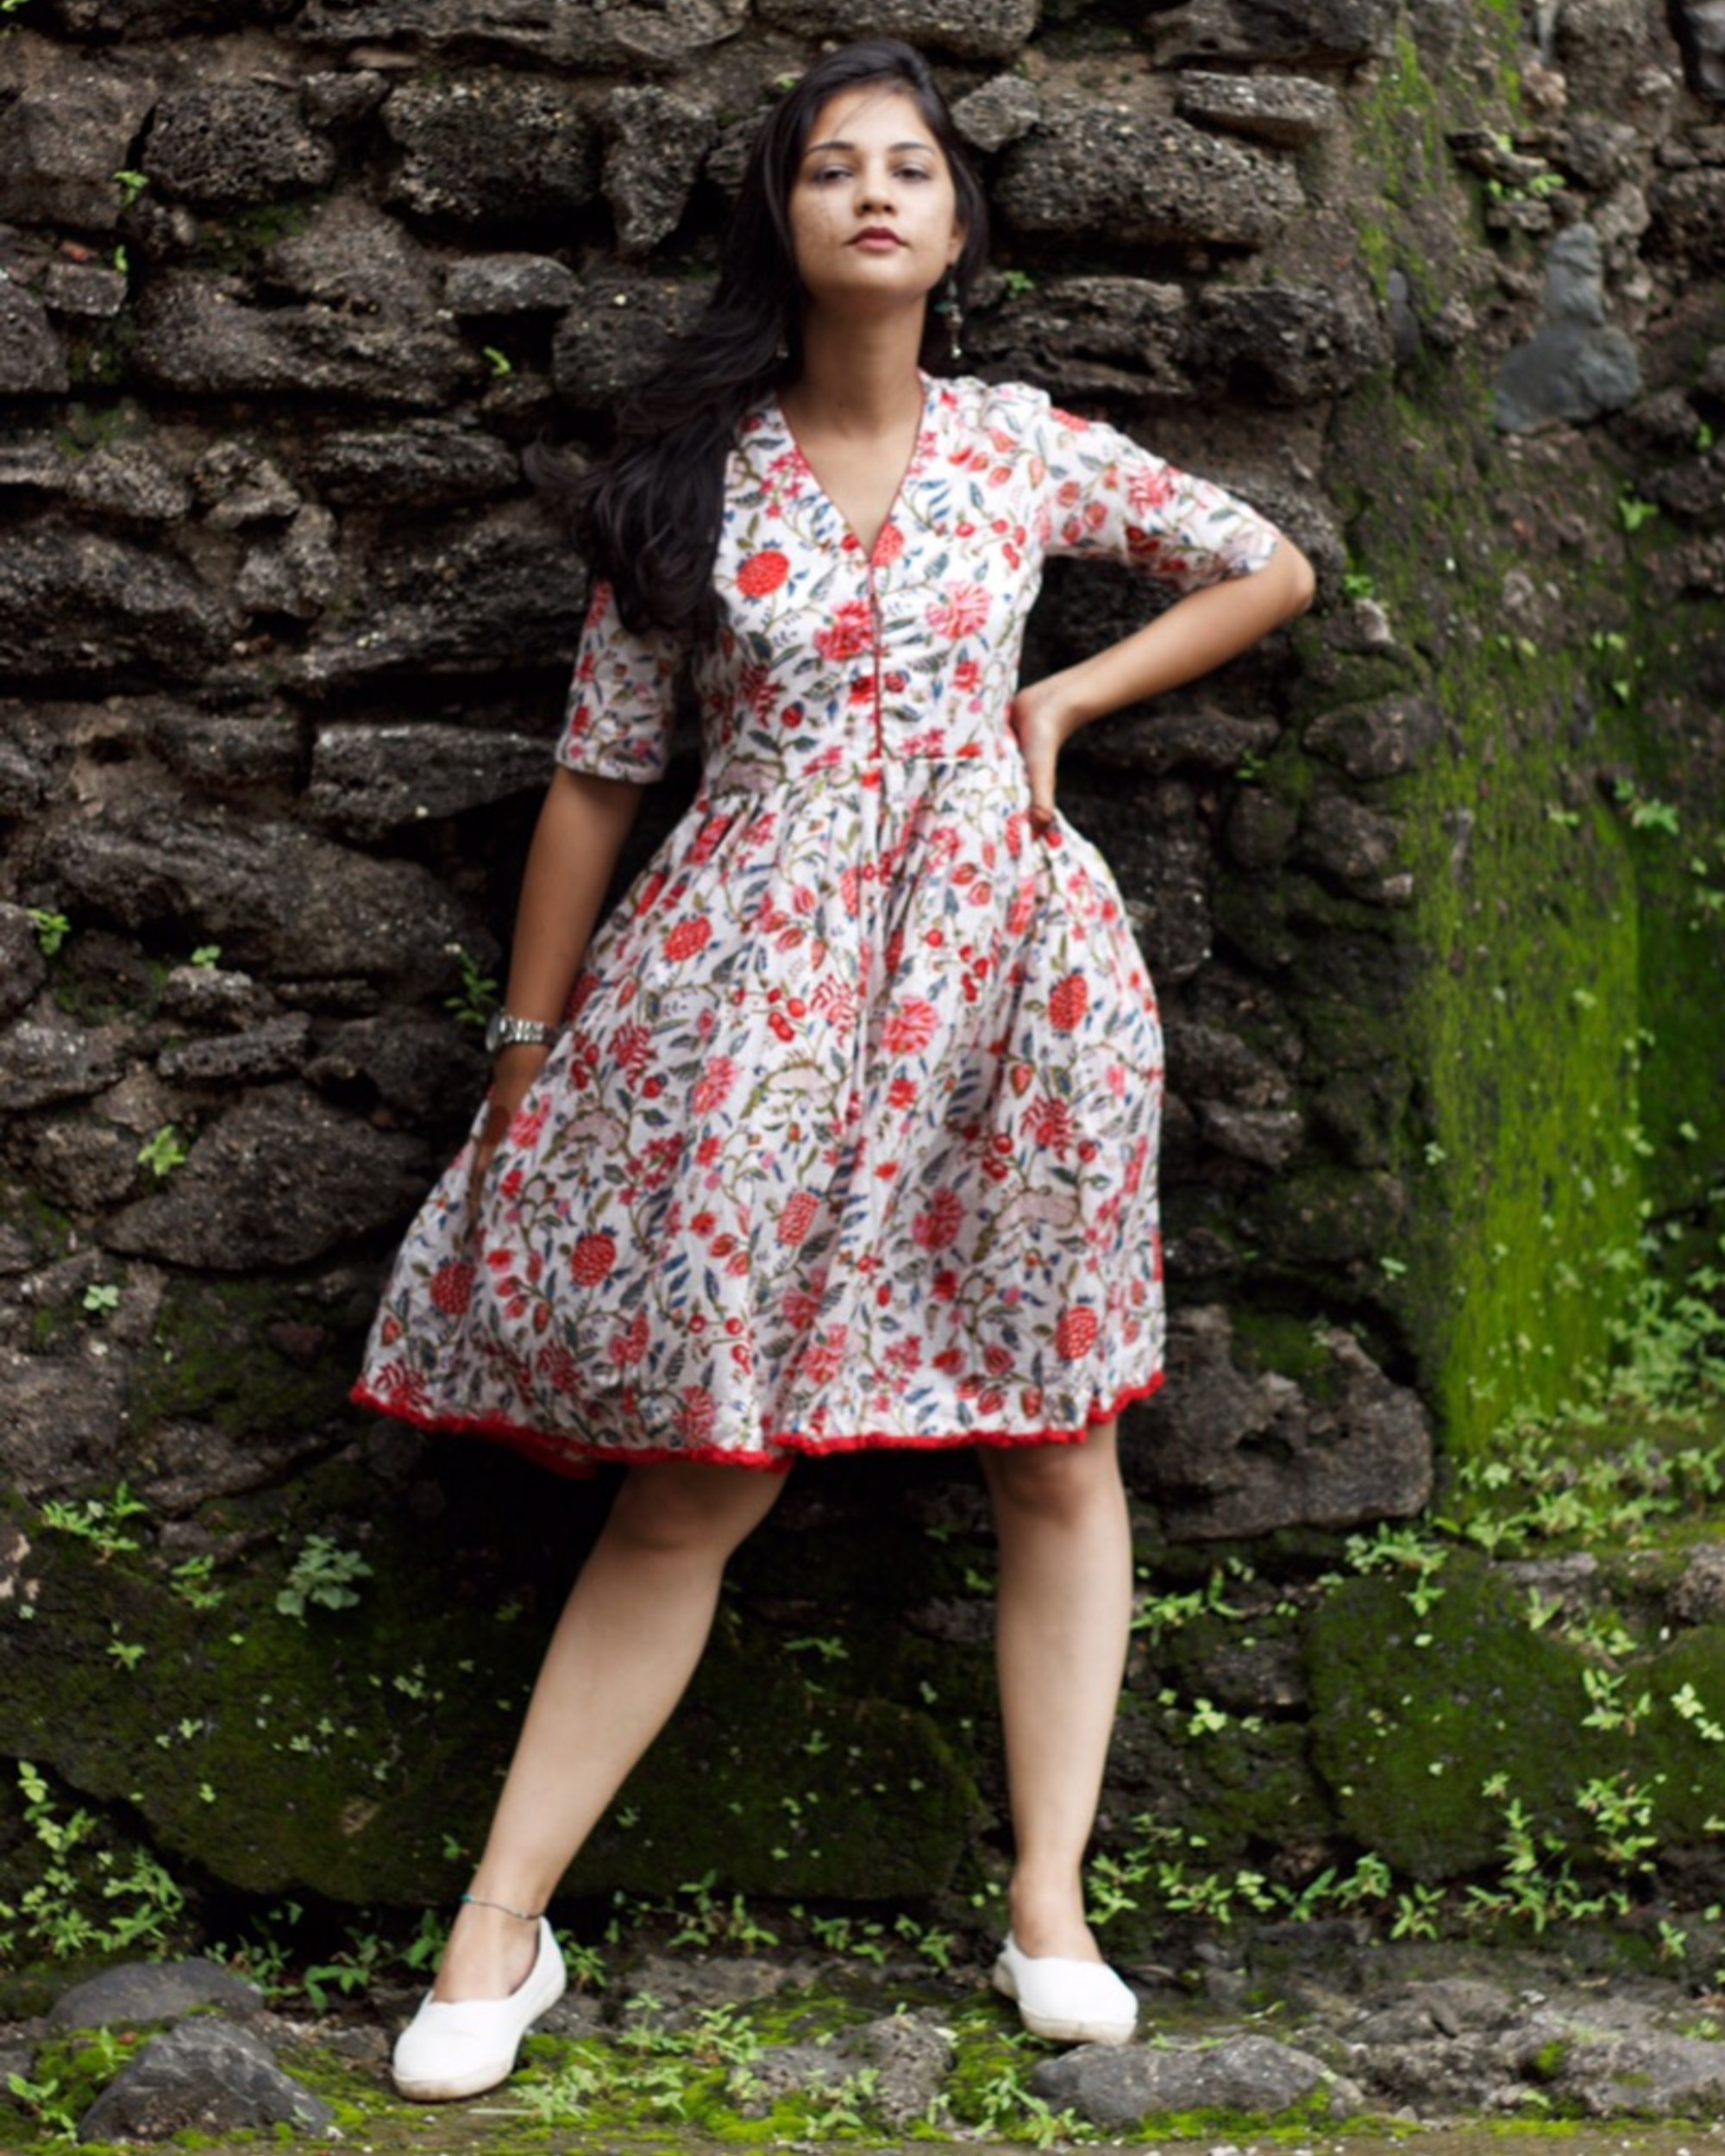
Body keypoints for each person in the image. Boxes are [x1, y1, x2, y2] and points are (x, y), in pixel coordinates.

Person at [355, 35, 1315, 2103]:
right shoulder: (689, 476)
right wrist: (527, 1047)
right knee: (708, 1464)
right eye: (828, 170)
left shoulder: (1019, 445)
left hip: (1009, 983)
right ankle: (497, 1924)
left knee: (1053, 1430)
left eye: (909, 168)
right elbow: (600, 776)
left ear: (957, 225)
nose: (873, 193)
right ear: (779, 222)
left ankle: (1048, 1900)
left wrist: (1057, 699)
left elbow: (1266, 563)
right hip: (750, 984)